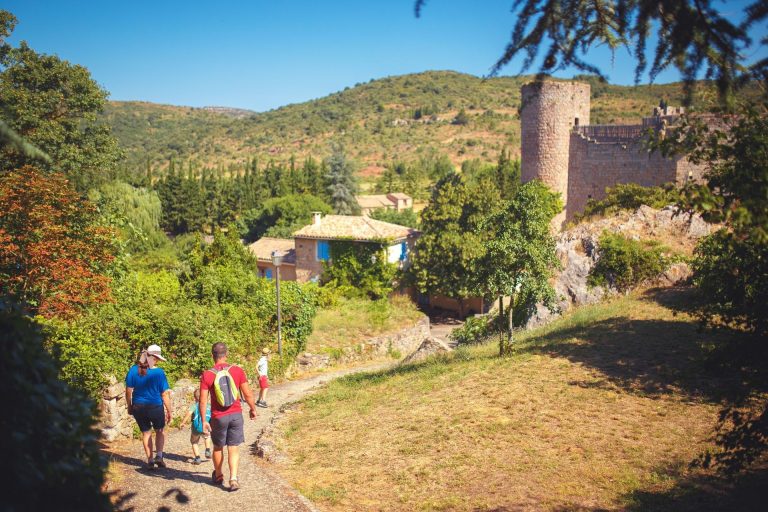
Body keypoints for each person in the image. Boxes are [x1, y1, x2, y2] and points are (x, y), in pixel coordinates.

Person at [200, 342, 257, 492]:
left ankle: (218, 476)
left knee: (218, 447)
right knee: (233, 448)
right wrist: (253, 409)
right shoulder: (237, 370)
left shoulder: (207, 374)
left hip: (218, 417)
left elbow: (203, 400)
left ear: (213, 356)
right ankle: (233, 479)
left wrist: (204, 420)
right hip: (236, 415)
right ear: (227, 355)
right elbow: (248, 394)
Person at [125, 344, 172, 470]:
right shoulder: (159, 373)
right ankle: (159, 456)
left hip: (138, 407)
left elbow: (128, 391)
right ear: (154, 358)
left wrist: (129, 406)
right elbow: (164, 394)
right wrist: (169, 411)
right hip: (155, 406)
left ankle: (150, 460)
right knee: (160, 431)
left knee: (146, 433)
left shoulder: (133, 370)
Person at [177, 388, 212, 465]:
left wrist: (183, 422)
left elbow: (188, 414)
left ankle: (197, 458)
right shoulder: (209, 406)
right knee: (207, 437)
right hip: (205, 427)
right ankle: (208, 450)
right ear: (206, 397)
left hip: (196, 428)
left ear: (194, 398)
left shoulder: (194, 406)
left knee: (194, 442)